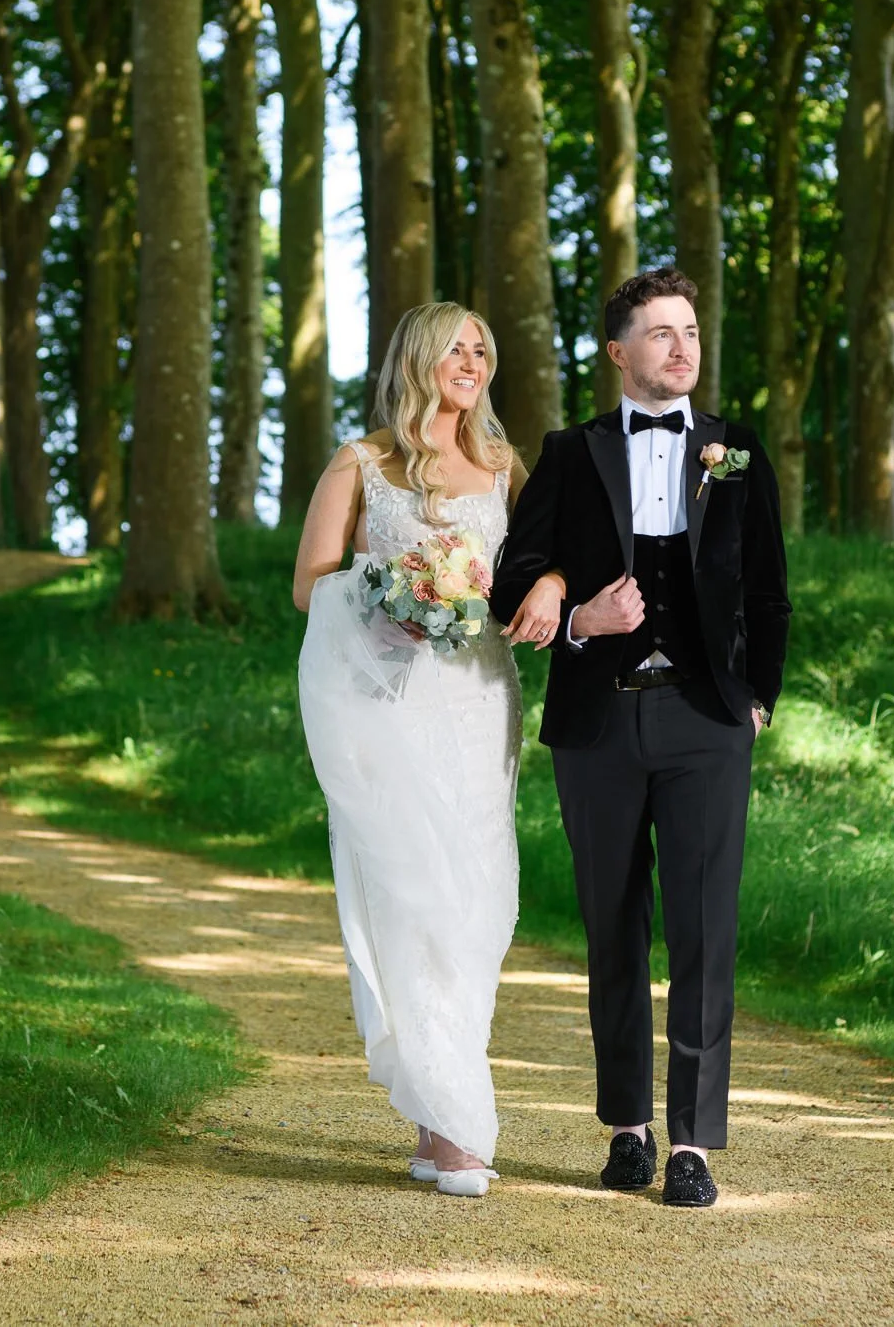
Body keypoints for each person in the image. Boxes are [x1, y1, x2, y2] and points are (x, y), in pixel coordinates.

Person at [490, 268, 791, 1209]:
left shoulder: (735, 451)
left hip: (707, 721)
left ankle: (694, 1143)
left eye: (691, 331)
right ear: (619, 352)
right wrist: (582, 616)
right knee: (613, 927)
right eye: (660, 334)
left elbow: (769, 587)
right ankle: (627, 1128)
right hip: (599, 722)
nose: (682, 347)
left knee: (705, 931)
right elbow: (511, 584)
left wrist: (760, 697)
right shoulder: (568, 454)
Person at [291, 302, 551, 1197]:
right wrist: (393, 592)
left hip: (481, 706)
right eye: (456, 347)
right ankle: (452, 1124)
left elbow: (534, 567)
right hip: (391, 708)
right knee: (414, 894)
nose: (473, 360)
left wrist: (548, 584)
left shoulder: (503, 466)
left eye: (484, 346)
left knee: (478, 904)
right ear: (419, 359)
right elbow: (310, 583)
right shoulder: (362, 463)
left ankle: (440, 1100)